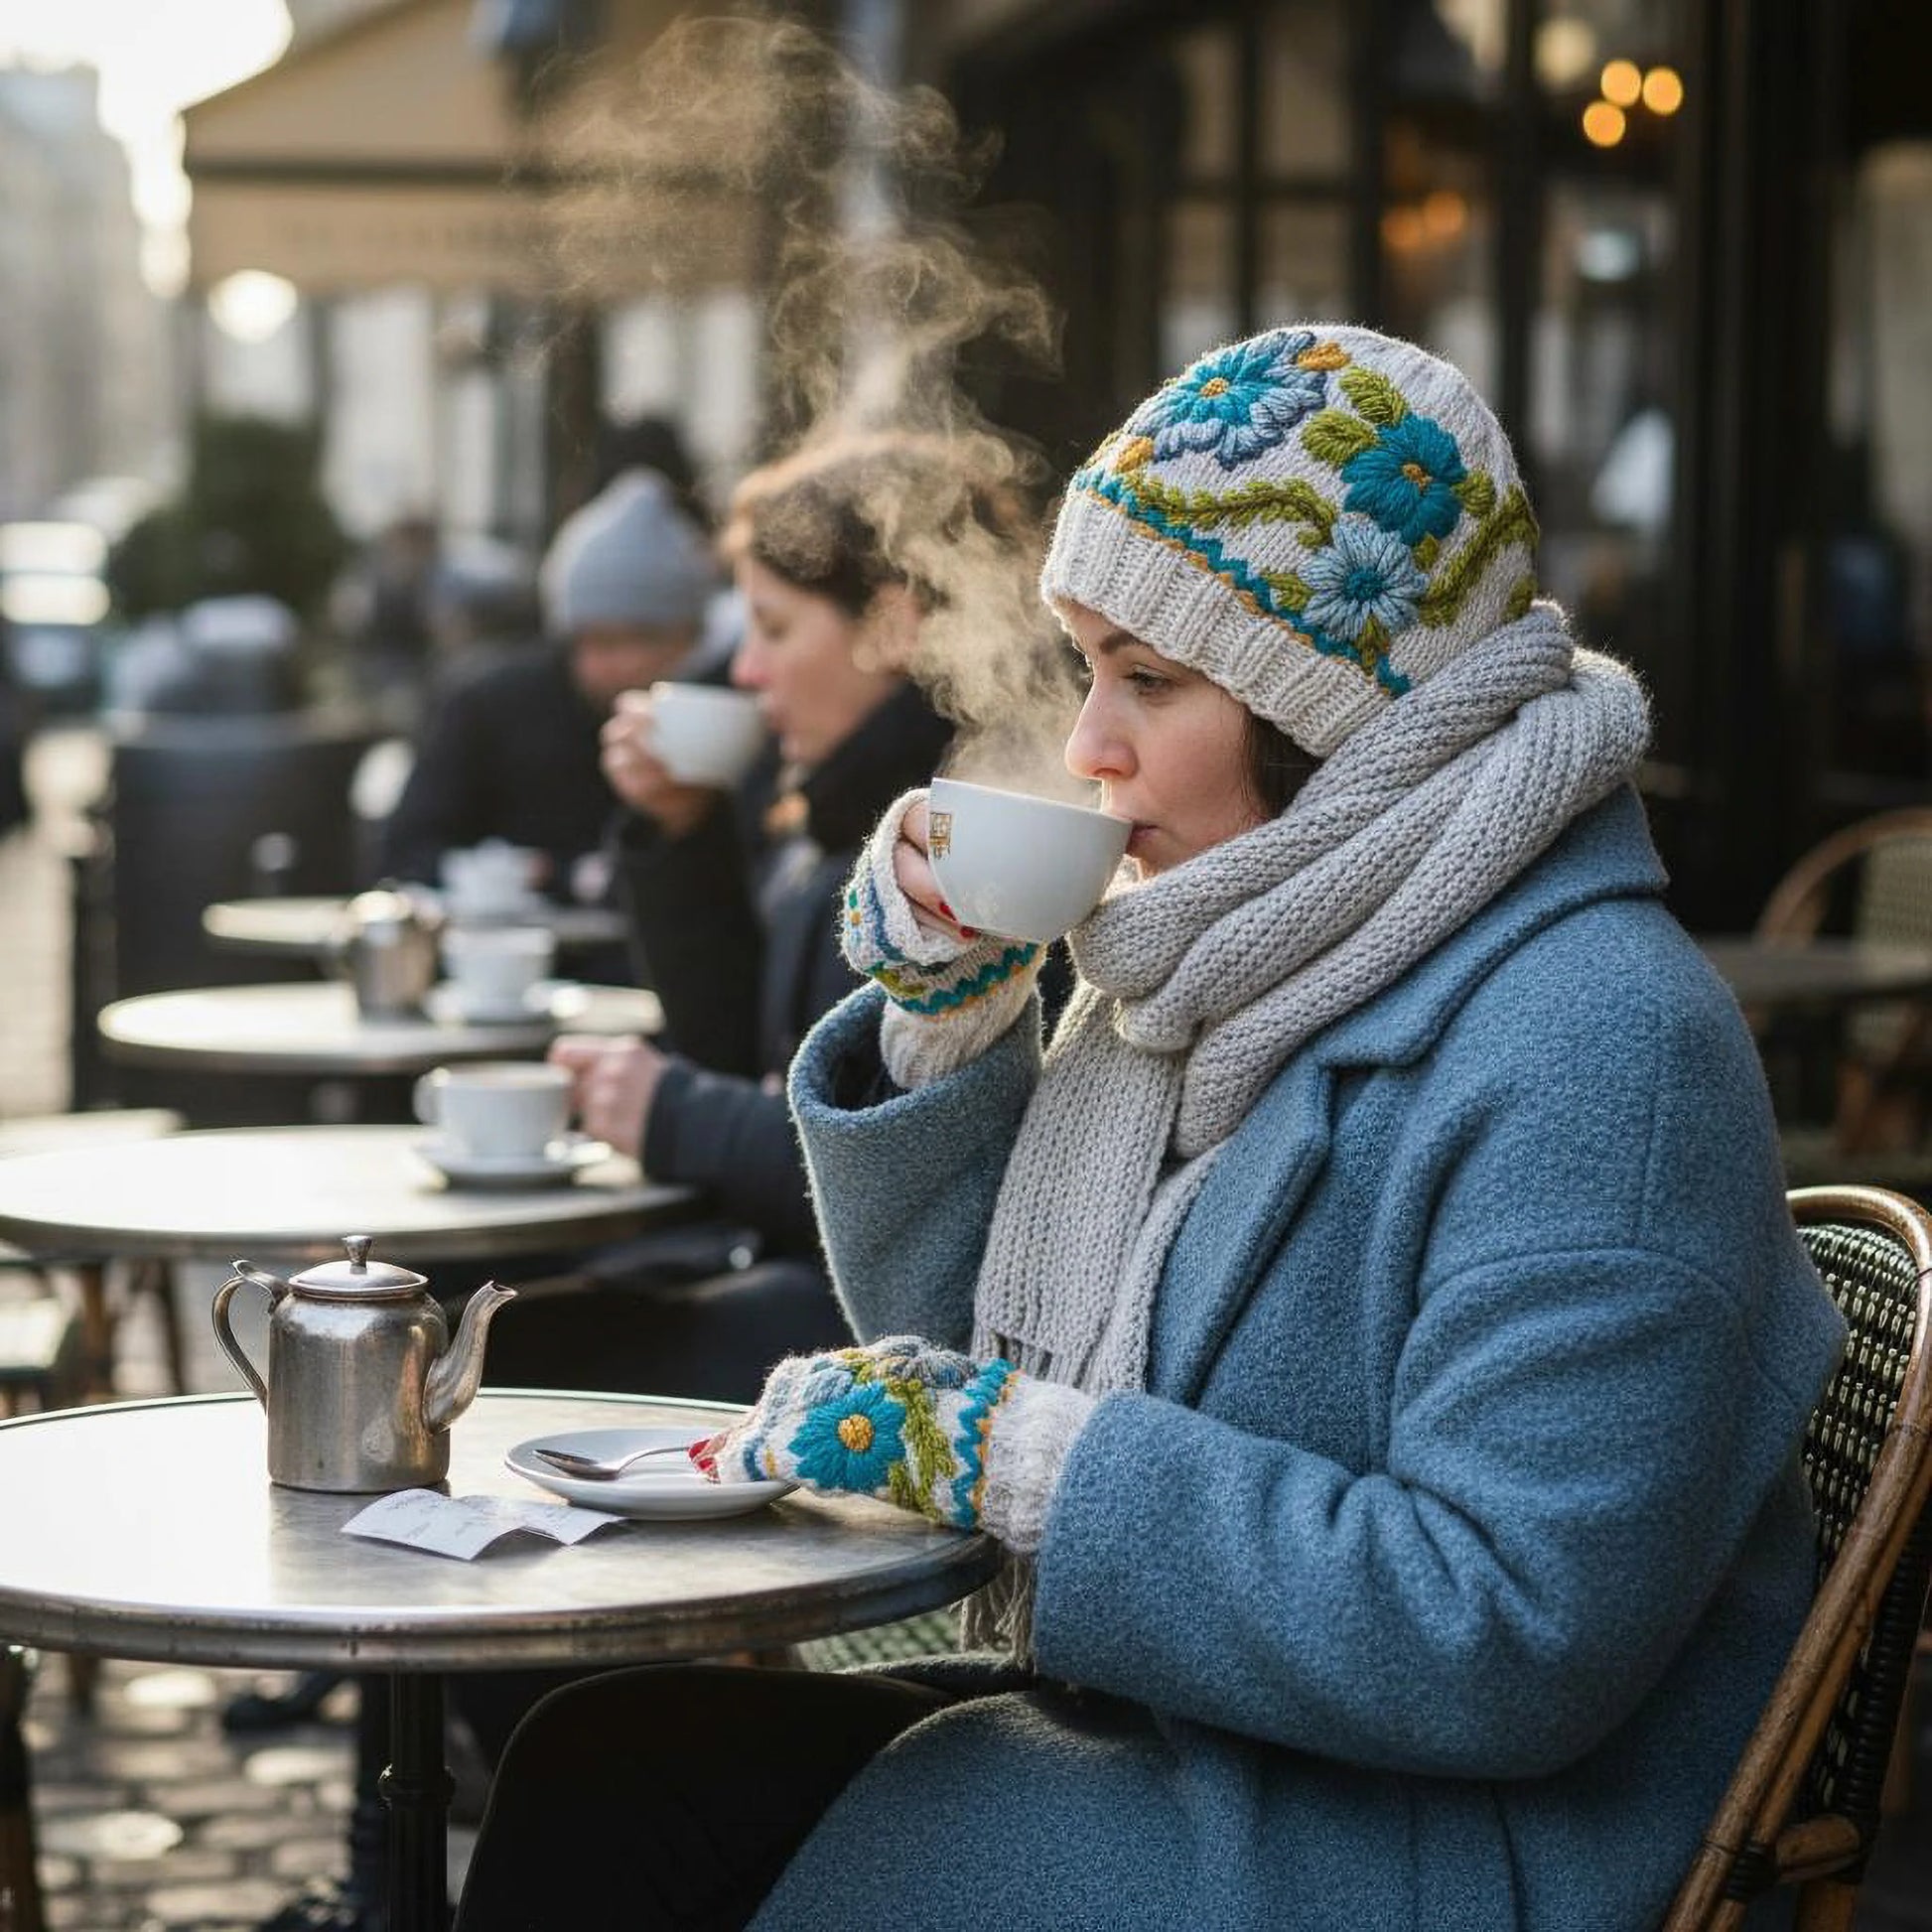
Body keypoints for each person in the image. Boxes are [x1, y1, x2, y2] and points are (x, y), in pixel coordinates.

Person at [453, 325, 1846, 1932]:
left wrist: (1031, 1462)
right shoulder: (1231, 949)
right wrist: (950, 1015)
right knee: (607, 1758)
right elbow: (975, 1340)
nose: (1089, 745)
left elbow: (1504, 1642)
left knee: (647, 1825)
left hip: (1446, 1848)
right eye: (1086, 666)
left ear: (1339, 710)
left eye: (1150, 681)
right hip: (1218, 1749)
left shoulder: (1602, 1044)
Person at [480, 431, 1023, 1406]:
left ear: (891, 624)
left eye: (772, 628)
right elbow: (740, 1047)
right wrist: (677, 831)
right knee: (464, 1312)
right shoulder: (830, 805)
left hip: (885, 1349)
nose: (743, 671)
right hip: (795, 1288)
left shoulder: (969, 833)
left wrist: (678, 1115)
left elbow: (925, 1180)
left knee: (486, 1357)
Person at [376, 465, 717, 910]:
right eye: (587, 640)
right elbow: (406, 854)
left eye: (634, 639)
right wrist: (530, 877)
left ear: (687, 637)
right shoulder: (491, 707)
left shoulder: (719, 715)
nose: (607, 664)